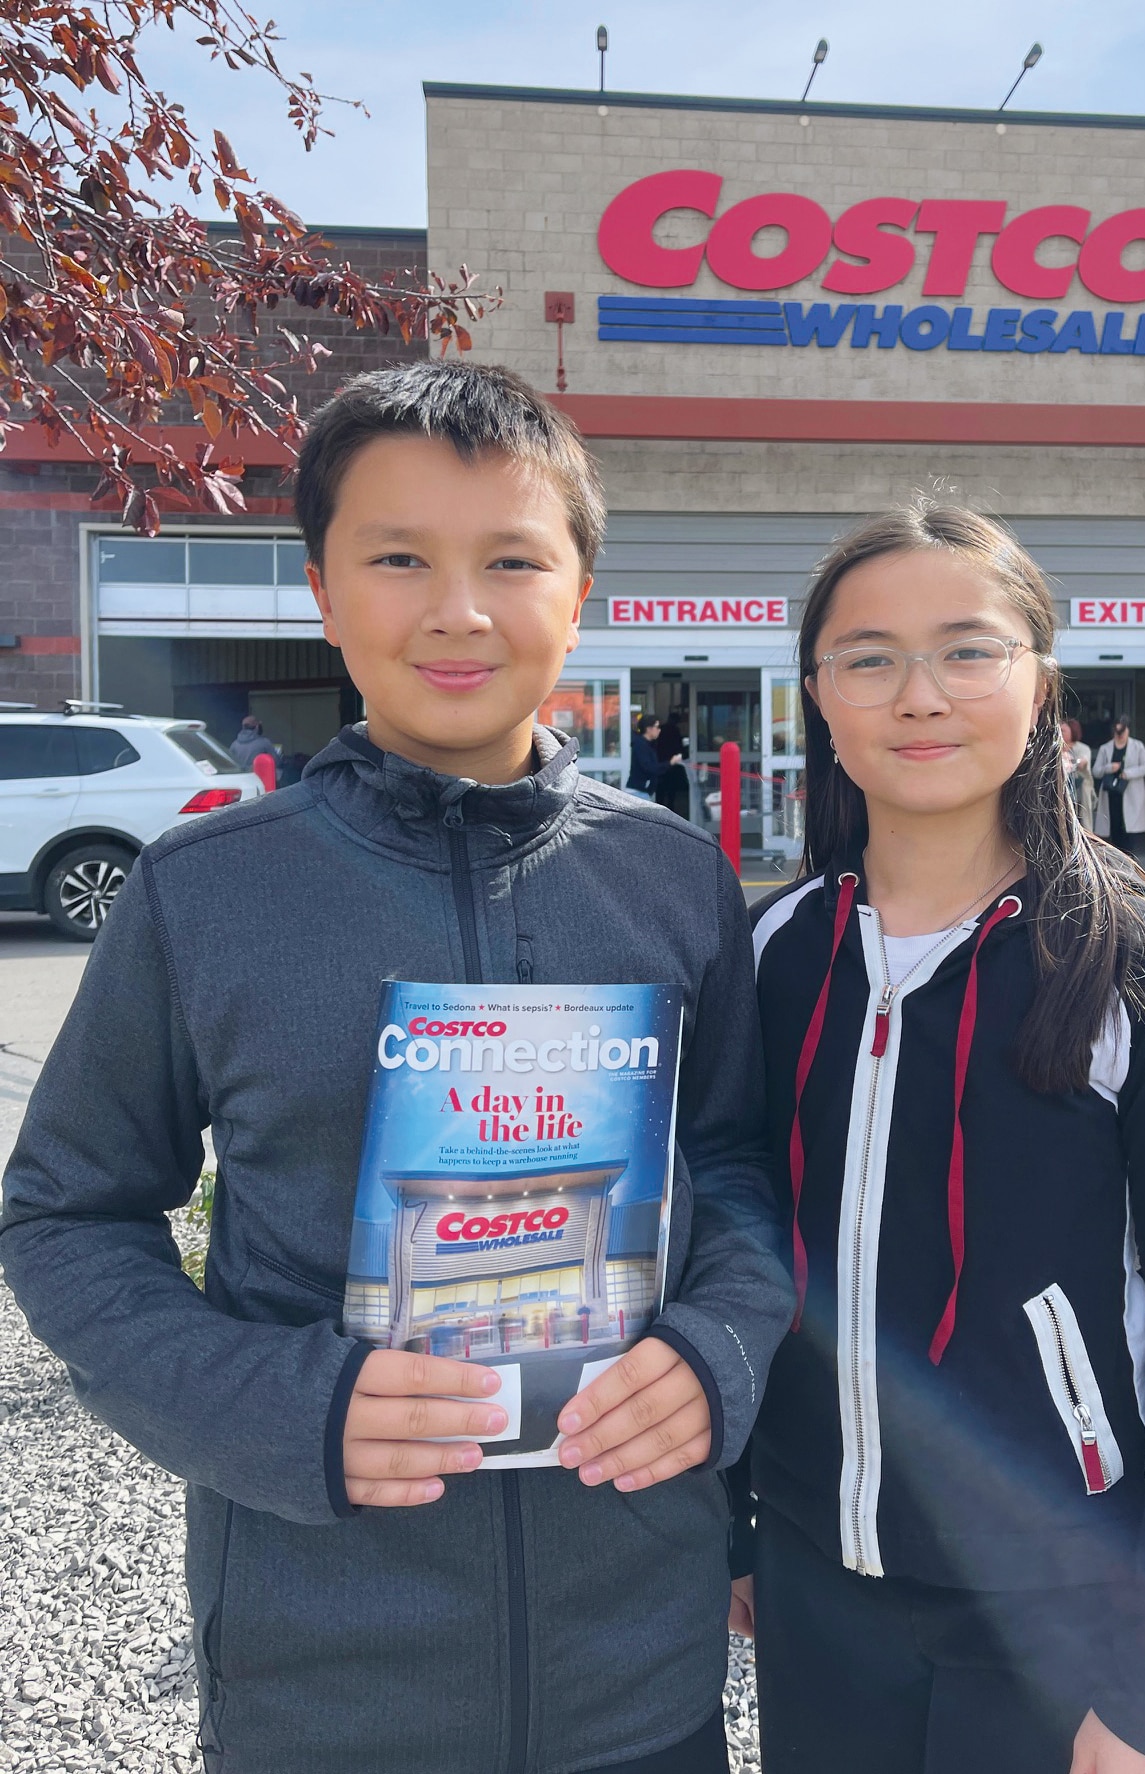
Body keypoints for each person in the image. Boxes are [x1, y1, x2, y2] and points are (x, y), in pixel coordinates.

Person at [0, 359, 794, 1774]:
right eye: (397, 557)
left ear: (580, 589)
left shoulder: (673, 880)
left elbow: (732, 1165)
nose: (457, 608)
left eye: (510, 558)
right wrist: (273, 1406)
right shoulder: (203, 892)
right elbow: (67, 1214)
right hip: (327, 1679)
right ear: (321, 588)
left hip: (639, 1674)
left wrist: (720, 1350)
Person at [731, 505, 1145, 1774]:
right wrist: (738, 1530)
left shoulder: (1127, 959)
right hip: (817, 1580)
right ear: (817, 695)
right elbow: (737, 1248)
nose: (918, 694)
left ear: (1038, 681)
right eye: (867, 657)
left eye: (967, 650)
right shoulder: (771, 953)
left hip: (1055, 1598)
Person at [1093, 715, 1145, 856]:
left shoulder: (1137, 747)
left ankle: (1130, 858)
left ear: (1128, 731)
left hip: (1130, 792)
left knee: (1129, 829)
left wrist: (1128, 773)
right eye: (1117, 732)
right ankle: (1118, 859)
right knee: (1114, 827)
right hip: (1111, 794)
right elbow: (1096, 771)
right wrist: (1109, 767)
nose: (1119, 736)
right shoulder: (1105, 748)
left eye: (1122, 732)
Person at [628, 712, 679, 800]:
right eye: (657, 727)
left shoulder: (648, 744)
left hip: (643, 792)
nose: (660, 730)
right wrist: (670, 763)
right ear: (649, 729)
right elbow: (650, 768)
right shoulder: (640, 745)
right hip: (638, 793)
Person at [1061, 715, 1094, 830]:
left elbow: (1083, 762)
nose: (1060, 733)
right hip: (1063, 790)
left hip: (1081, 789)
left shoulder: (1083, 748)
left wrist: (1072, 762)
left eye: (1063, 730)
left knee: (1084, 819)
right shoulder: (1057, 748)